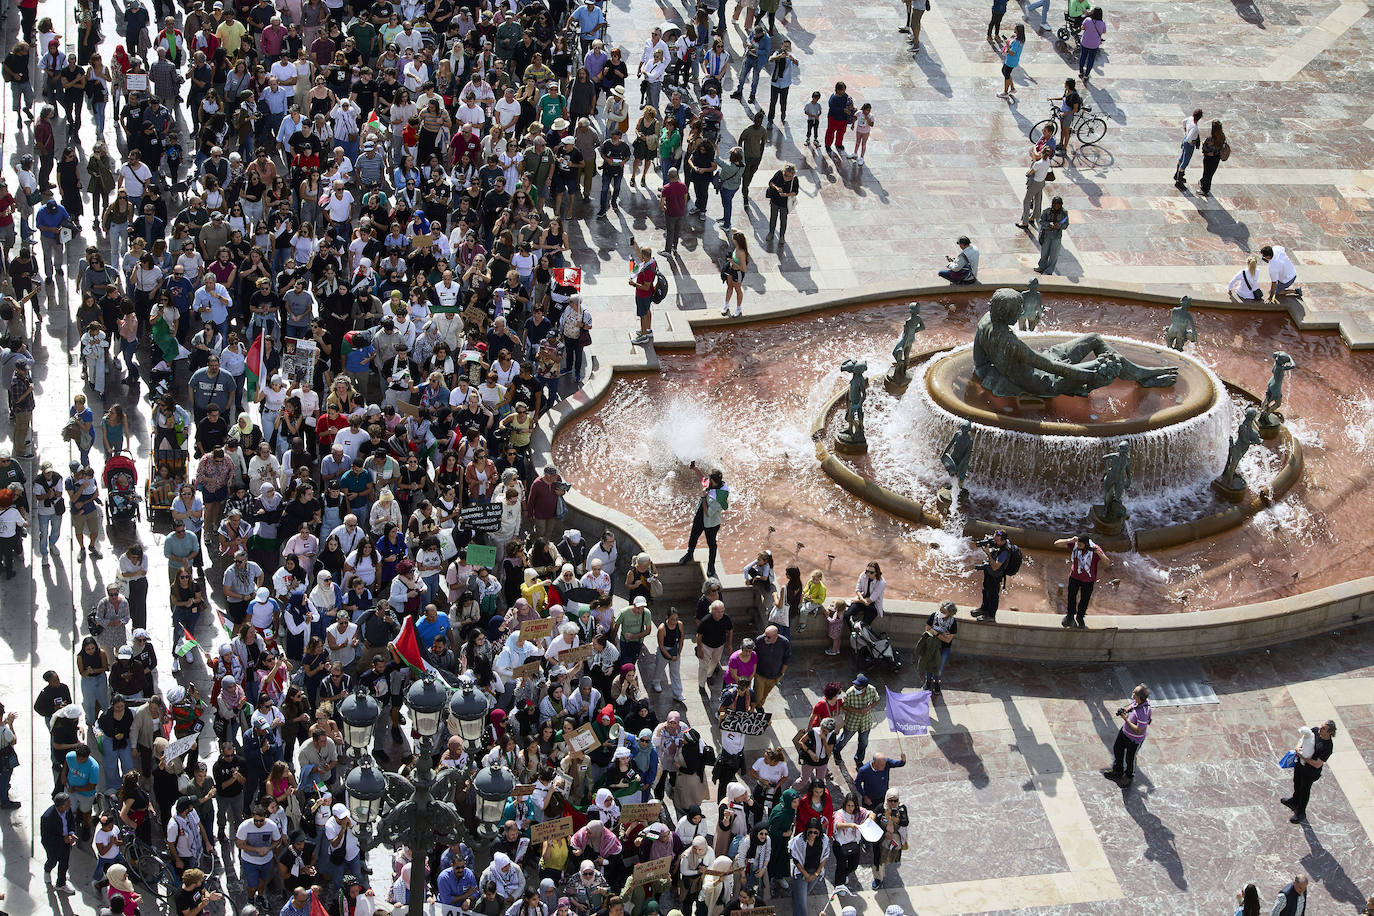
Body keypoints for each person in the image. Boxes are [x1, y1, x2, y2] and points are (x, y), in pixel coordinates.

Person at [1282, 720, 1336, 823]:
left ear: (1330, 732)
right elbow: (1304, 737)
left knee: (1304, 790)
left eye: (1324, 728)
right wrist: (1298, 746)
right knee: (1297, 783)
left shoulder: (1328, 747)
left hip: (1310, 772)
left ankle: (1301, 812)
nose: (1320, 728)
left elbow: (1317, 764)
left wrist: (1302, 756)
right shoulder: (1315, 731)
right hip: (1300, 765)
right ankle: (1294, 801)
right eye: (1322, 726)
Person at [1052, 535, 1110, 628]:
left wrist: (1098, 553)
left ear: (1086, 545)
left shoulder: (1094, 549)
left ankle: (1080, 617)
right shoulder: (1075, 545)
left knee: (1084, 600)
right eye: (1077, 544)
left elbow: (1107, 562)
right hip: (1074, 577)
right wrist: (1069, 540)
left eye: (1080, 545)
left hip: (1088, 580)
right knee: (1071, 597)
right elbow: (1056, 544)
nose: (1077, 547)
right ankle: (1070, 616)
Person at [679, 468, 729, 576]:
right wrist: (695, 468)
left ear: (713, 480)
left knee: (711, 544)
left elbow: (708, 513)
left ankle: (711, 567)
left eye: (709, 478)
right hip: (699, 516)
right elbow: (702, 478)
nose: (708, 480)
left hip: (711, 522)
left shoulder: (720, 496)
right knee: (693, 536)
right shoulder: (711, 483)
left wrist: (703, 497)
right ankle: (689, 554)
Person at [1104, 683, 1151, 787]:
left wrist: (1125, 719)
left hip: (1134, 739)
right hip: (1124, 732)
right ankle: (1118, 771)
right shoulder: (1137, 702)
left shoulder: (1143, 712)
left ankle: (1129, 776)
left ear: (1140, 697)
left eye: (1134, 693)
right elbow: (1133, 706)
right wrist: (1126, 710)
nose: (1132, 694)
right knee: (1117, 749)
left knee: (1130, 758)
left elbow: (1139, 730)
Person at [786, 817, 829, 916]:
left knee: (803, 894)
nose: (812, 835)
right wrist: (805, 874)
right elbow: (795, 859)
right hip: (802, 871)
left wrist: (816, 874)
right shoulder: (799, 840)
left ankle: (795, 895)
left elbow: (825, 857)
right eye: (810, 832)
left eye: (815, 832)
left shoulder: (824, 840)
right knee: (802, 904)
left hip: (815, 871)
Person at [41, 792, 78, 893]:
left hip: (66, 843)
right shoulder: (47, 817)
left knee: (64, 864)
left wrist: (71, 833)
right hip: (53, 845)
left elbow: (71, 822)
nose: (70, 805)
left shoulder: (67, 809)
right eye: (68, 804)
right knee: (52, 861)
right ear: (61, 806)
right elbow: (46, 837)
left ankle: (61, 883)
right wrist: (63, 839)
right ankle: (47, 870)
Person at [970, 531, 1011, 621]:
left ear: (1003, 541)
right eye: (994, 539)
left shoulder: (1005, 552)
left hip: (996, 574)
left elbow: (995, 567)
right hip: (989, 572)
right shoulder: (997, 543)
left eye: (996, 541)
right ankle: (984, 609)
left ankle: (991, 616)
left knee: (993, 595)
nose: (994, 542)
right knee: (985, 590)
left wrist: (988, 553)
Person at [696, 598, 733, 691]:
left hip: (719, 645)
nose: (720, 614)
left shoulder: (726, 618)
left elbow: (730, 630)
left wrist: (729, 644)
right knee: (703, 665)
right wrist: (700, 649)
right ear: (712, 611)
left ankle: (709, 675)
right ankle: (701, 684)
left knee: (715, 661)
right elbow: (699, 635)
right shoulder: (705, 620)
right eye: (718, 612)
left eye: (722, 611)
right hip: (706, 645)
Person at [752, 626, 791, 707]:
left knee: (765, 694)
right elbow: (754, 657)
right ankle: (753, 707)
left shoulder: (784, 642)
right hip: (760, 674)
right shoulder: (759, 640)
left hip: (775, 675)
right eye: (765, 635)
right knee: (757, 695)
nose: (765, 638)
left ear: (776, 636)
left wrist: (781, 673)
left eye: (768, 637)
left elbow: (786, 659)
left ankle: (759, 706)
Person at [764, 164, 798, 249]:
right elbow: (771, 182)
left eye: (790, 176)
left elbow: (795, 192)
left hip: (785, 204)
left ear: (793, 175)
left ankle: (782, 236)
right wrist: (776, 188)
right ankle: (771, 233)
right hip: (775, 200)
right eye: (785, 175)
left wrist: (785, 194)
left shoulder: (795, 179)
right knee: (773, 218)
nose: (787, 178)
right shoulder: (779, 173)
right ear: (783, 172)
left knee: (783, 220)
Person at [1035, 196, 1068, 275]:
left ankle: (1049, 270)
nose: (1056, 206)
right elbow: (1041, 221)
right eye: (1055, 204)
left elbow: (1066, 224)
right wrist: (1048, 224)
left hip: (1056, 236)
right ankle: (1041, 267)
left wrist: (1059, 226)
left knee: (1054, 255)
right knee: (1044, 253)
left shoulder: (1064, 213)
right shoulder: (1046, 211)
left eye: (1058, 204)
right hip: (1046, 235)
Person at [1198, 119, 1230, 197]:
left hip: (1208, 158)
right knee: (1210, 173)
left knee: (1207, 172)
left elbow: (1204, 149)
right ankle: (1203, 183)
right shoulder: (1222, 137)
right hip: (1216, 158)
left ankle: (1204, 189)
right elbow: (1221, 147)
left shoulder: (1210, 139)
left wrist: (1207, 150)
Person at [1173, 108, 1203, 189]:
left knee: (1182, 157)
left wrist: (1186, 131)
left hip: (1185, 139)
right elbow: (1189, 138)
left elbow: (1183, 121)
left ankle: (1177, 175)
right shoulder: (1195, 127)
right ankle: (1178, 181)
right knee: (1185, 161)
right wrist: (1191, 143)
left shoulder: (1190, 119)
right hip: (1189, 144)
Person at [1079, 8, 1107, 80]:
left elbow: (1082, 28)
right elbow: (1104, 32)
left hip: (1085, 42)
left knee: (1083, 56)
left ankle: (1081, 72)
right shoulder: (1102, 23)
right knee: (1091, 59)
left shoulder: (1088, 20)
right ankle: (1086, 75)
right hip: (1094, 45)